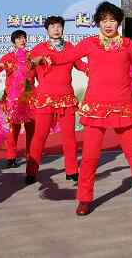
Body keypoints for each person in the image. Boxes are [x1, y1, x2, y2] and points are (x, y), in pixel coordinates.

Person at [34, 1, 132, 216]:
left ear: (118, 22)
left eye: (113, 20)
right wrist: (43, 58)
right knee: (89, 157)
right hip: (96, 108)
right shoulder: (89, 43)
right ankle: (84, 198)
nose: (108, 24)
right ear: (98, 22)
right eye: (104, 20)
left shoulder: (127, 45)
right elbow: (64, 57)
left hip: (124, 107)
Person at [24, 16, 81, 184]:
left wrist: (95, 69)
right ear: (47, 30)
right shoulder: (38, 49)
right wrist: (29, 94)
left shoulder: (71, 48)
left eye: (59, 26)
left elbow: (81, 65)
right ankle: (31, 172)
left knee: (69, 137)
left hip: (66, 99)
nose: (56, 29)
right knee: (39, 136)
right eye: (52, 27)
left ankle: (72, 170)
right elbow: (29, 74)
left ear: (63, 29)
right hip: (45, 99)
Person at [0, 30, 36, 169]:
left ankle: (31, 156)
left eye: (24, 38)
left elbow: (40, 74)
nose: (22, 40)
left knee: (31, 129)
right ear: (13, 42)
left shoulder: (32, 57)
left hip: (30, 96)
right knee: (13, 130)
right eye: (18, 38)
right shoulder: (8, 57)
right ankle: (11, 157)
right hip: (13, 98)